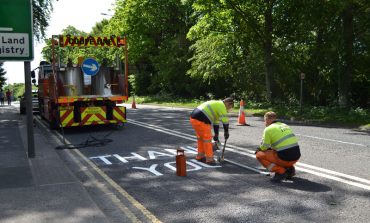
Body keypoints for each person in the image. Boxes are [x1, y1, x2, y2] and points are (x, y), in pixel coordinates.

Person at [255, 111, 301, 182]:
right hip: (296, 157)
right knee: (278, 151)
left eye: (264, 121)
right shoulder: (284, 125)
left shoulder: (268, 129)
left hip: (284, 159)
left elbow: (264, 146)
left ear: (267, 119)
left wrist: (258, 149)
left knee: (259, 155)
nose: (264, 123)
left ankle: (281, 172)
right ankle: (290, 169)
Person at [190, 98, 234, 165]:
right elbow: (225, 122)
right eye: (229, 107)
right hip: (201, 121)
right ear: (228, 103)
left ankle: (200, 156)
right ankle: (209, 159)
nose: (228, 109)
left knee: (201, 139)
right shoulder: (222, 106)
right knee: (207, 139)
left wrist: (216, 135)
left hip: (194, 119)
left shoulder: (217, 104)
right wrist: (226, 132)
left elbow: (216, 122)